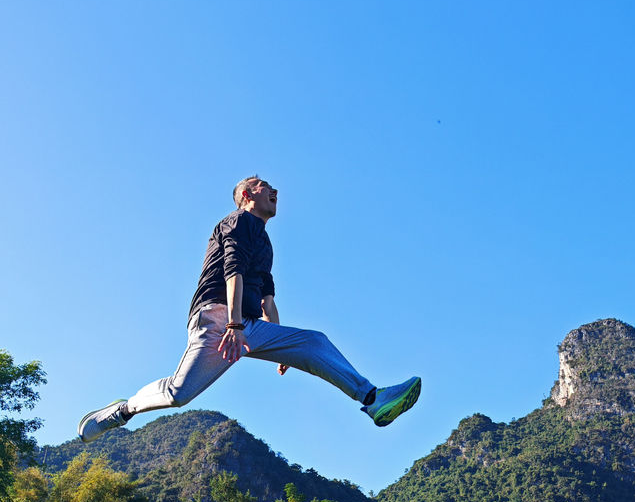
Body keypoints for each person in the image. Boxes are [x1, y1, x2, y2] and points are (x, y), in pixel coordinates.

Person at [78, 176, 421, 442]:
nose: (274, 191)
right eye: (264, 186)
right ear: (246, 197)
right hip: (217, 319)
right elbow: (233, 269)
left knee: (313, 342)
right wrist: (233, 325)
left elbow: (266, 296)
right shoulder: (237, 221)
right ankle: (120, 412)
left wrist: (283, 346)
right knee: (178, 394)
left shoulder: (266, 241)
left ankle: (373, 398)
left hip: (248, 326)